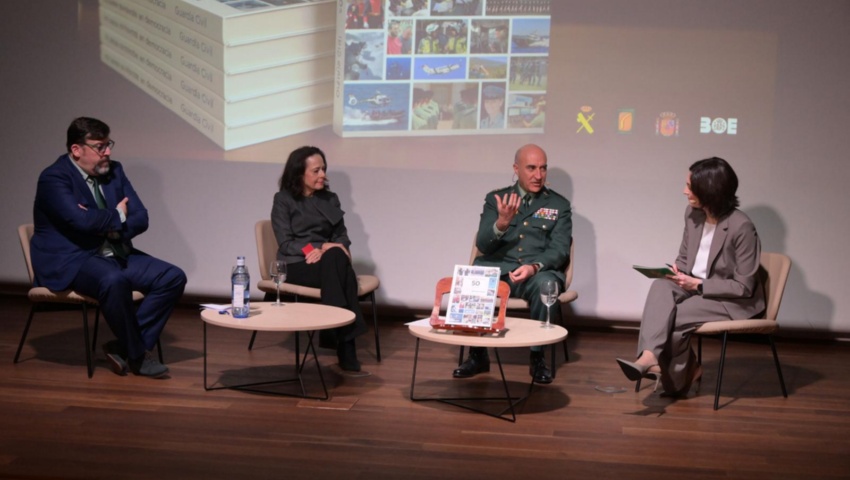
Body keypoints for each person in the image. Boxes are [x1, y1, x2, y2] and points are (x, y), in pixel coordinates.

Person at [31, 117, 186, 378]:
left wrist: (106, 223)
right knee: (114, 281)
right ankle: (138, 356)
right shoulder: (54, 178)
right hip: (71, 258)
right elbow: (78, 221)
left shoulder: (115, 171)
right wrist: (117, 214)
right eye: (100, 147)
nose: (108, 152)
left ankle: (123, 345)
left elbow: (141, 217)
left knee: (172, 277)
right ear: (77, 150)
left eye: (108, 144)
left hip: (111, 251)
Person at [616, 157, 764, 397]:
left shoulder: (741, 227)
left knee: (673, 317)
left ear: (710, 190)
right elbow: (686, 258)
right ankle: (650, 357)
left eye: (690, 186)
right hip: (695, 285)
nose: (684, 191)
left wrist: (700, 284)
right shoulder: (693, 214)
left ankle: (682, 376)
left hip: (731, 299)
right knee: (661, 287)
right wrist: (676, 271)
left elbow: (743, 287)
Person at [454, 144, 572, 384]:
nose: (538, 175)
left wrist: (535, 266)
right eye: (531, 168)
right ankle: (477, 355)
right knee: (473, 277)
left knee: (547, 285)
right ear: (516, 169)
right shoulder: (495, 199)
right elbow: (484, 245)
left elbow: (560, 250)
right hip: (498, 271)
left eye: (543, 168)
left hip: (535, 274)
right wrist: (501, 223)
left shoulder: (559, 206)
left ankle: (538, 359)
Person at [271, 146, 368, 374]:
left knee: (336, 257)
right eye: (316, 170)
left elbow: (341, 237)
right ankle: (346, 344)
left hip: (328, 262)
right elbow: (286, 242)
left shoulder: (330, 199)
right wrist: (316, 247)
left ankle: (337, 334)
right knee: (341, 270)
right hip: (297, 264)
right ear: (298, 174)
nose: (323, 174)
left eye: (323, 169)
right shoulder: (283, 200)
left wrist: (329, 250)